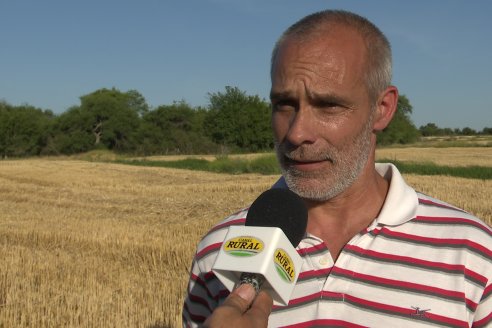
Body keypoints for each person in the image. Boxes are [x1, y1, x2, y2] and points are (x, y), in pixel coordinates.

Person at [183, 9, 492, 327]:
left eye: (328, 105)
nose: (297, 132)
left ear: (382, 110)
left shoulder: (473, 257)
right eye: (284, 104)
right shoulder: (218, 252)